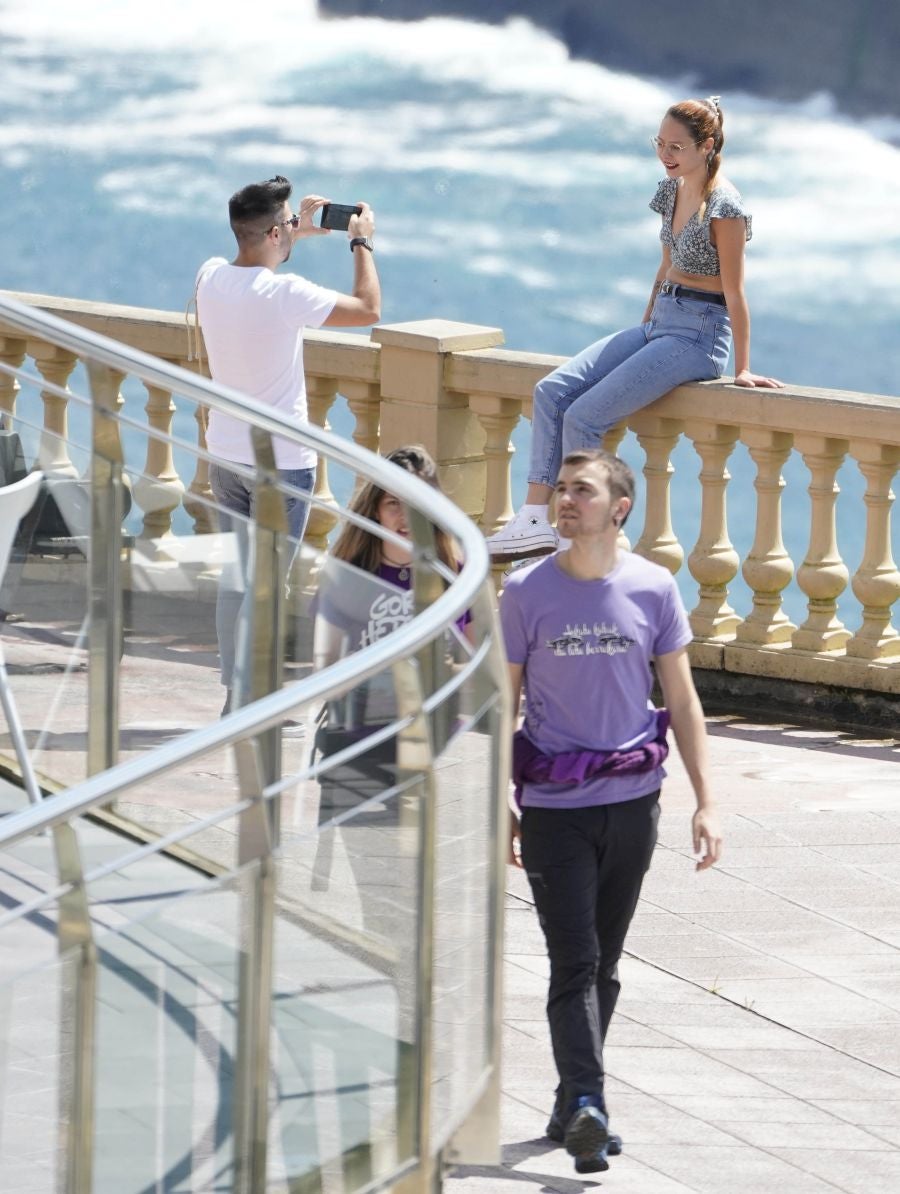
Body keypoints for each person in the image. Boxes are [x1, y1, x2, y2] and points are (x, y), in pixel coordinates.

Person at [499, 448, 722, 1175]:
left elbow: (681, 701)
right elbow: (501, 707)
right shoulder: (526, 592)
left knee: (606, 965)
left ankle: (569, 1106)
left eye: (582, 491)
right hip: (555, 808)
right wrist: (499, 801)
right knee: (576, 960)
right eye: (561, 490)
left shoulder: (653, 588)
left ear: (618, 507)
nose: (566, 501)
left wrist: (707, 802)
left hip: (633, 803)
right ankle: (592, 1103)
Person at [487, 96, 783, 563]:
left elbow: (736, 291)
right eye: (660, 144)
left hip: (698, 336)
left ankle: (575, 537)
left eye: (677, 147)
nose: (666, 154)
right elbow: (665, 263)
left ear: (707, 146)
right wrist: (646, 321)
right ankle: (532, 521)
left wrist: (743, 367)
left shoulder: (726, 206)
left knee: (585, 417)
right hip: (662, 323)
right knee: (552, 391)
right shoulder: (671, 189)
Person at [195, 174, 380, 713]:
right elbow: (369, 309)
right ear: (277, 233)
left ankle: (238, 694)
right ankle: (249, 703)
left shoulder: (209, 277)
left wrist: (292, 233)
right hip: (281, 466)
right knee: (267, 586)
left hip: (225, 456)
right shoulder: (286, 295)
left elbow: (256, 264)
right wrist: (360, 240)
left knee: (238, 582)